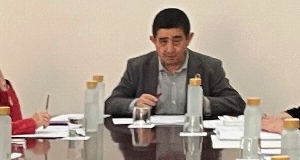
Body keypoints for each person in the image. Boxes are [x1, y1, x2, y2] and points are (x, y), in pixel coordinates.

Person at [104, 7, 245, 120]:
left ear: (188, 39)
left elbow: (237, 103)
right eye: (163, 41)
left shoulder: (210, 67)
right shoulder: (137, 66)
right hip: (151, 142)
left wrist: (204, 103)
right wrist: (135, 104)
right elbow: (111, 104)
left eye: (177, 40)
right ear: (153, 41)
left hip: (195, 139)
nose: (170, 49)